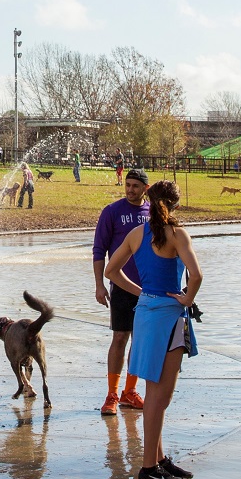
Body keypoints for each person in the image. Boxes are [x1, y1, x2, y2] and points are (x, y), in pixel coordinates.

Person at [103, 180, 202, 479]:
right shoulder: (177, 234)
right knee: (161, 398)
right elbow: (197, 276)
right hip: (169, 318)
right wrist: (186, 298)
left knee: (154, 395)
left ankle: (158, 460)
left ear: (148, 201)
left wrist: (142, 291)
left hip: (145, 315)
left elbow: (110, 272)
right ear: (175, 205)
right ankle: (148, 468)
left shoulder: (136, 234)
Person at [93, 169, 152, 417]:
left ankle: (130, 391)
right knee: (120, 338)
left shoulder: (153, 213)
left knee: (140, 342)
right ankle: (112, 394)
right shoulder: (112, 212)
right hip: (121, 287)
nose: (130, 190)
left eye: (136, 186)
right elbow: (99, 249)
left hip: (149, 288)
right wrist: (99, 285)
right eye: (127, 185)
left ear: (145, 189)